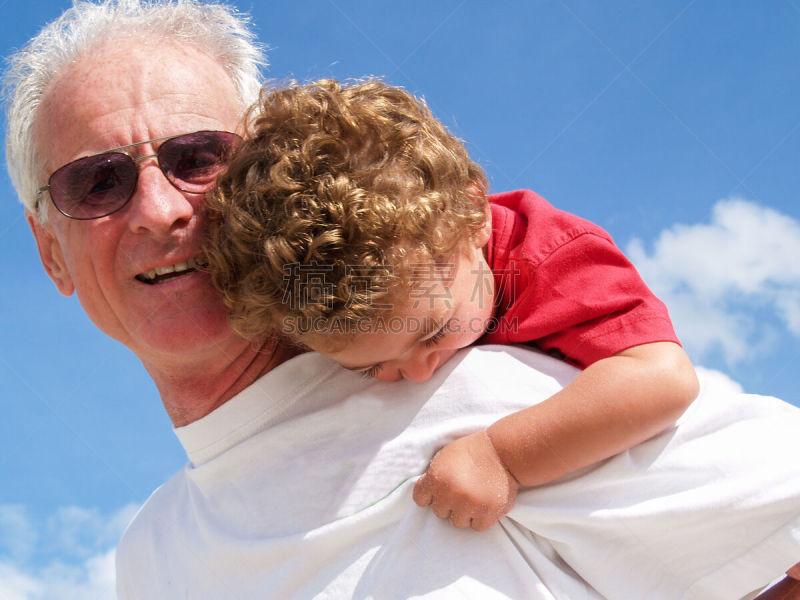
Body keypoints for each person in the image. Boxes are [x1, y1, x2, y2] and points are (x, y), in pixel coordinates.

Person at [3, 1, 799, 599]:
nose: (160, 208)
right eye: (96, 182)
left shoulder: (493, 400)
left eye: (199, 157)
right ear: (50, 254)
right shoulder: (149, 560)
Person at [203, 79, 699, 530]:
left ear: (473, 215)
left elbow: (662, 378)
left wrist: (502, 456)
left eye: (433, 333)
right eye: (372, 367)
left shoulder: (551, 255)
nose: (418, 373)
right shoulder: (319, 299)